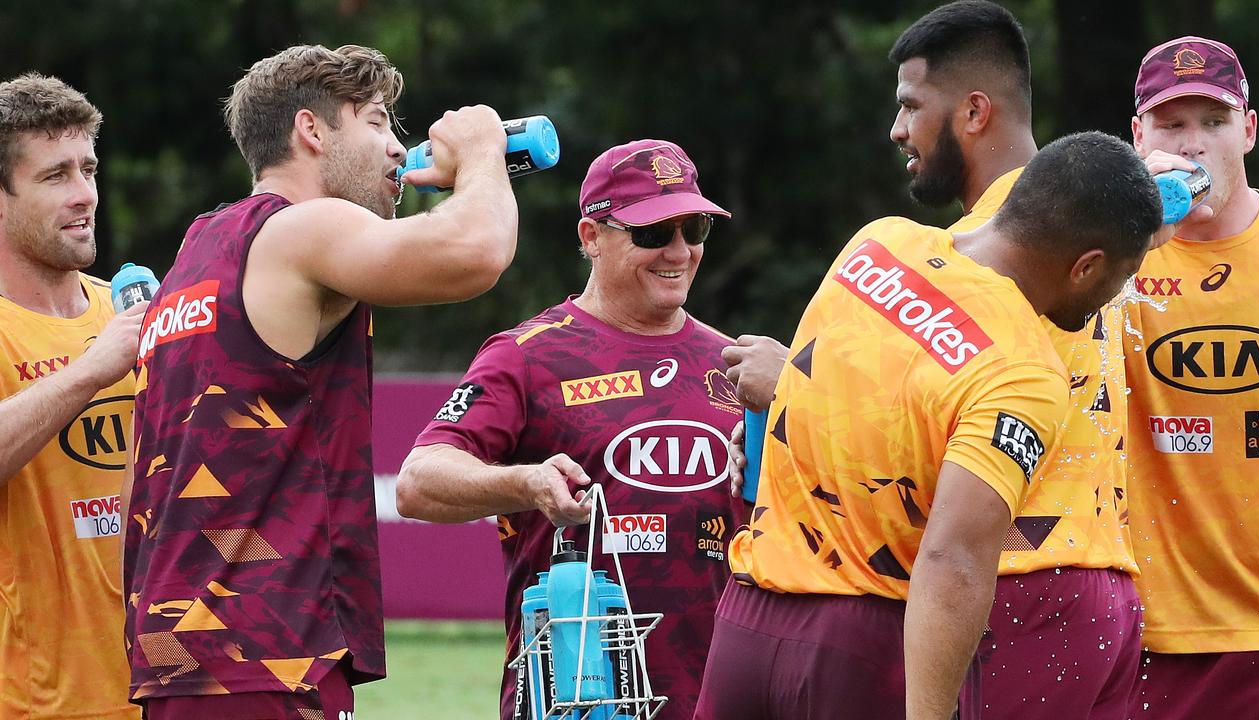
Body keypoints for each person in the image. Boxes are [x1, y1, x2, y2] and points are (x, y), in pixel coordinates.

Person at [721, 4, 1204, 717]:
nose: (898, 130)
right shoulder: (1090, 207)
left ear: (974, 112)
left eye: (912, 107)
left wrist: (792, 379)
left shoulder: (985, 250)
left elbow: (905, 427)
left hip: (1013, 585)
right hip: (1105, 584)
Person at [122, 44, 519, 719]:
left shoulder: (200, 249)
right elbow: (474, 252)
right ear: (311, 130)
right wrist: (482, 151)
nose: (399, 149)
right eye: (375, 121)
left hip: (185, 659)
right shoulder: (302, 228)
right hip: (265, 655)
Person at [398, 139, 743, 719]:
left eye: (695, 231)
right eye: (654, 234)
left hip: (721, 694)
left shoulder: (735, 362)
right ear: (591, 237)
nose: (680, 252)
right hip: (579, 699)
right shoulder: (528, 355)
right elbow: (418, 481)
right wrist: (526, 483)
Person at [1125, 36, 1259, 719]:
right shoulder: (1101, 258)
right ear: (1137, 137)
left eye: (1213, 123)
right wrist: (1127, 231)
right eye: (1171, 124)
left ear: (1247, 130)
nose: (1193, 147)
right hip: (1162, 632)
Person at [0, 73, 145, 719]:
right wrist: (91, 371)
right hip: (30, 702)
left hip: (157, 690)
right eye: (55, 175)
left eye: (89, 168)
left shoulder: (128, 309)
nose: (85, 194)